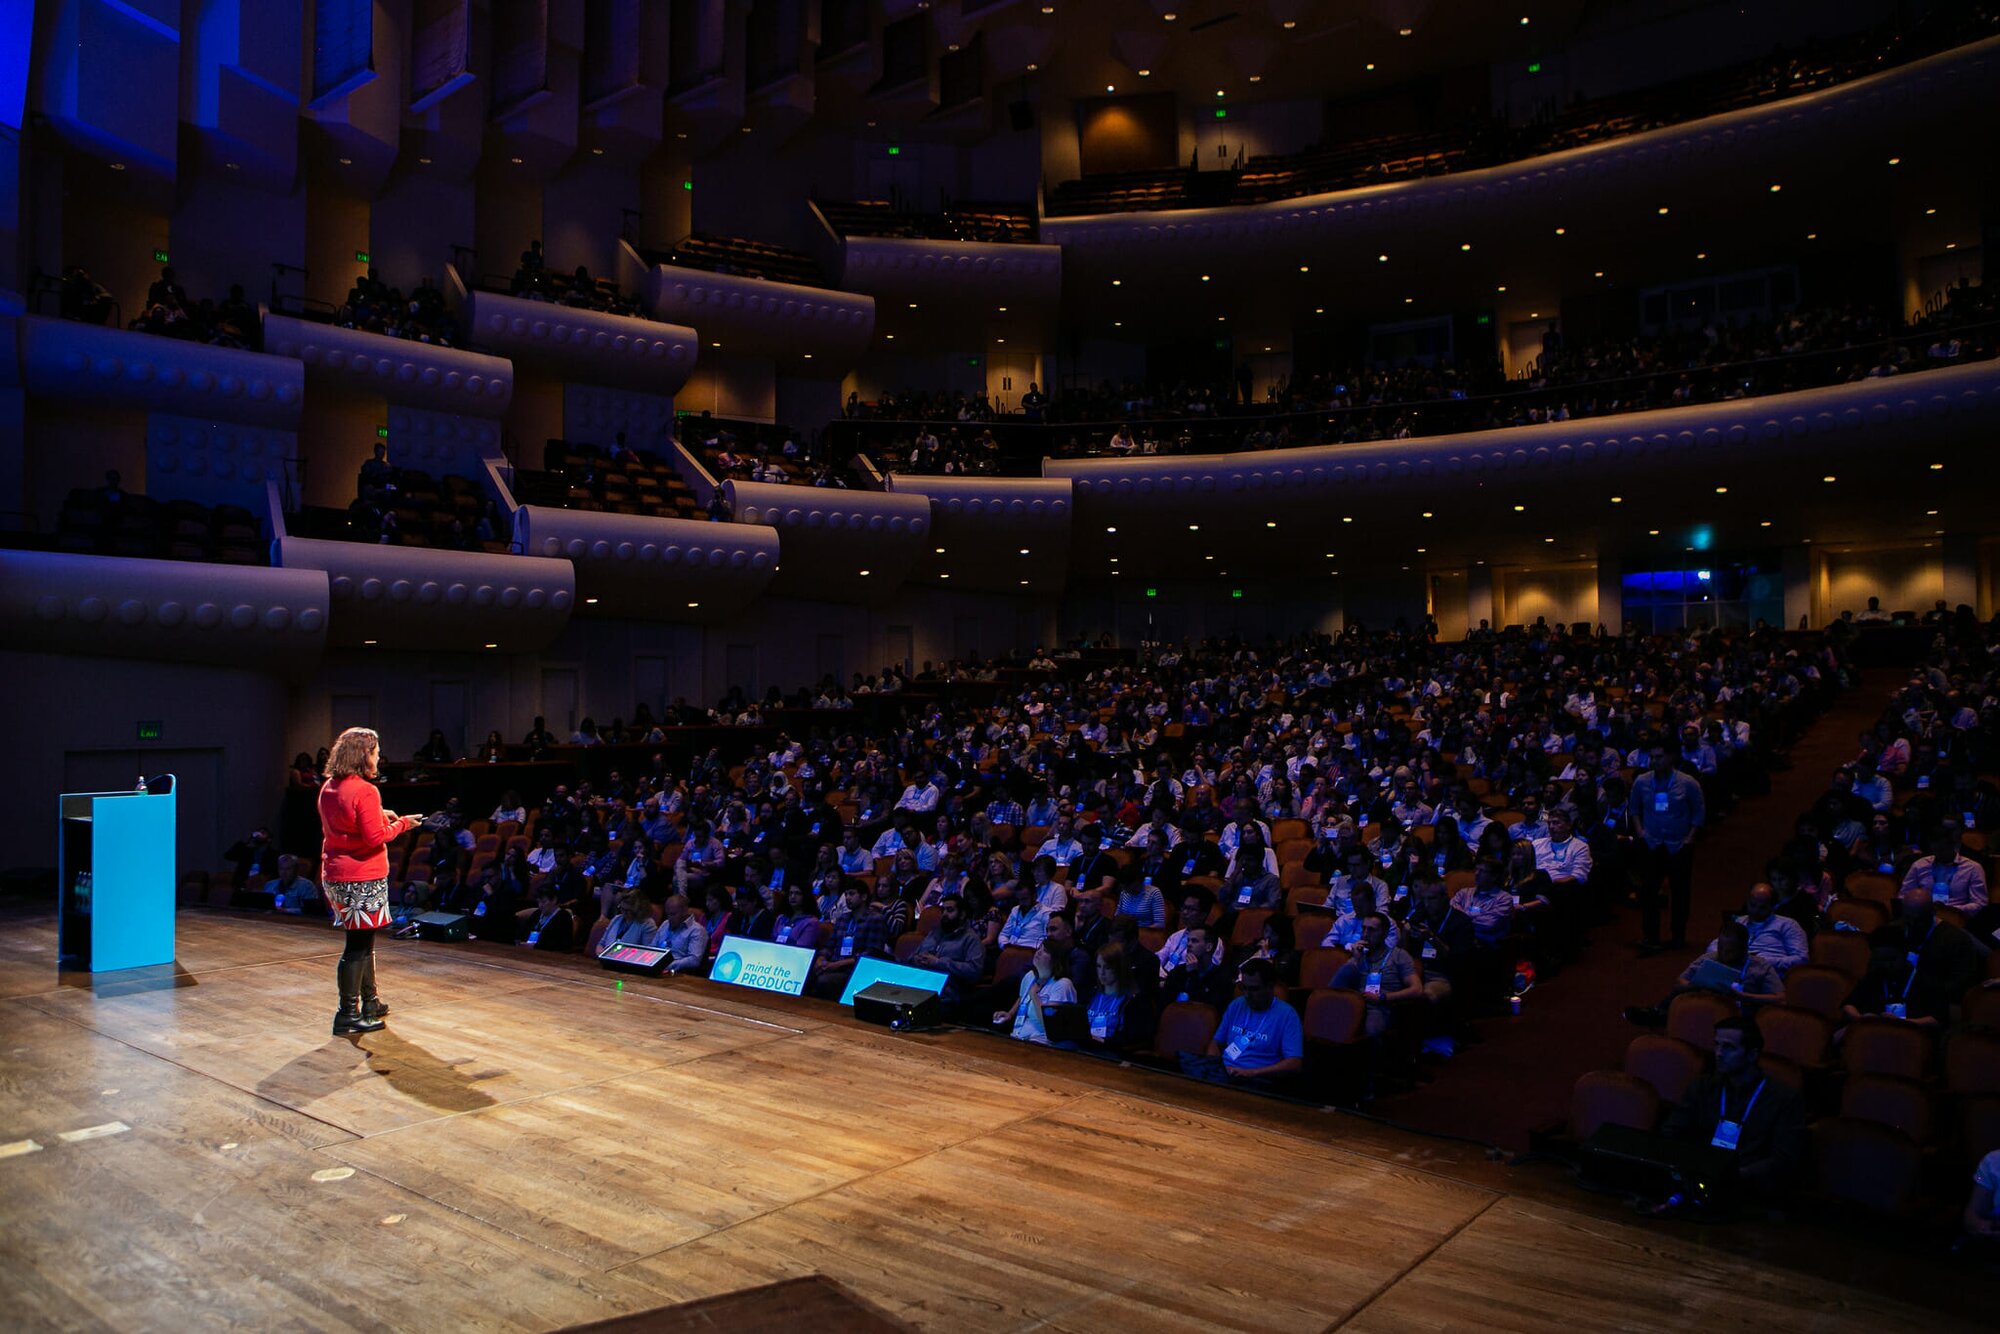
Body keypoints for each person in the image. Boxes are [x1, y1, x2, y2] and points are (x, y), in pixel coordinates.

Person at [318, 727, 423, 1035]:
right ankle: (347, 1014)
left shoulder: (329, 787)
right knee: (358, 946)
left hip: (337, 874)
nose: (378, 758)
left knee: (364, 942)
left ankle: (370, 1002)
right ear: (363, 755)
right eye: (376, 753)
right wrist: (402, 824)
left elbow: (347, 819)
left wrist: (378, 813)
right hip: (361, 876)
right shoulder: (365, 790)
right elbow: (374, 837)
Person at [1663, 1016, 1809, 1203]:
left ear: (1752, 1054)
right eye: (1717, 1045)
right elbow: (1673, 1131)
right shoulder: (1702, 1087)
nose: (1719, 1053)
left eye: (1728, 1047)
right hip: (1698, 1181)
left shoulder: (1784, 1099)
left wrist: (1735, 1175)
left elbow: (1784, 1160)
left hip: (1751, 1193)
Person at [1629, 743, 1706, 953]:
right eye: (1652, 757)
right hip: (1652, 843)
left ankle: (1678, 936)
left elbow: (1699, 812)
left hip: (1679, 845)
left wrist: (1690, 838)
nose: (1654, 761)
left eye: (1659, 757)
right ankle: (1651, 936)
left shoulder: (1688, 783)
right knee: (1649, 892)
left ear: (1670, 758)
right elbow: (1634, 809)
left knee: (1680, 892)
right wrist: (1640, 832)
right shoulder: (1641, 781)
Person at [1195, 958, 1304, 1087]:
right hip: (1226, 1075)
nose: (1247, 994)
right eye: (1244, 988)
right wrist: (1213, 1066)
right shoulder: (1237, 1005)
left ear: (1270, 987)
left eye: (1253, 989)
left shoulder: (1287, 1015)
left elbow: (1294, 1063)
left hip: (1257, 1080)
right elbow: (1216, 1043)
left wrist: (1252, 1073)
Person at [910, 895, 986, 1010]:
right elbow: (913, 956)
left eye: (950, 910)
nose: (945, 914)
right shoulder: (934, 933)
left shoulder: (971, 939)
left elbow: (974, 971)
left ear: (962, 914)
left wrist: (938, 963)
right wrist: (916, 959)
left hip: (947, 993)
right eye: (943, 910)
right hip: (920, 983)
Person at [994, 939, 1077, 1045]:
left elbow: (1050, 1025)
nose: (1038, 952)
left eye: (1045, 951)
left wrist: (1034, 995)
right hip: (1019, 1036)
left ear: (1056, 959)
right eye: (1039, 949)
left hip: (1043, 1042)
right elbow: (1022, 998)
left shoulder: (1063, 984)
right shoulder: (1030, 976)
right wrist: (1010, 1014)